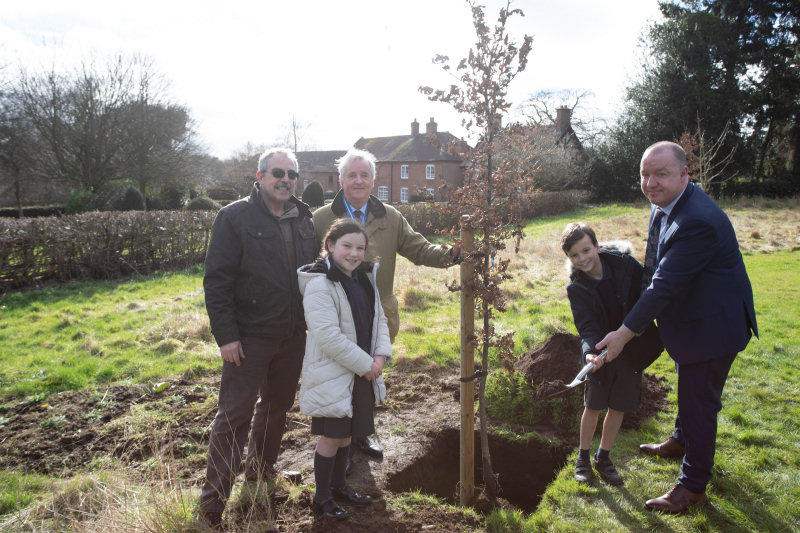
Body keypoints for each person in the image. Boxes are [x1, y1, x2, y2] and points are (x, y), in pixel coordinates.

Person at [596, 141, 758, 513]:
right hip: (692, 321)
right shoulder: (665, 204)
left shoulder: (697, 220)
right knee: (690, 389)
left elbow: (665, 285)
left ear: (686, 174)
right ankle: (682, 441)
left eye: (661, 174)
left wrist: (625, 333)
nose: (650, 183)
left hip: (714, 327)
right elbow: (654, 266)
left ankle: (692, 486)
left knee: (699, 404)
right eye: (644, 174)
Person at [312, 148, 460, 461]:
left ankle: (362, 437)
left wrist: (454, 254)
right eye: (351, 175)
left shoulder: (390, 217)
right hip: (337, 319)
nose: (358, 181)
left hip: (378, 316)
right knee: (340, 381)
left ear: (373, 179)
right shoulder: (321, 219)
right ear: (340, 180)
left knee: (369, 377)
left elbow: (420, 250)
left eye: (364, 175)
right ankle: (341, 448)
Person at [198, 148, 317, 528]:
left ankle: (259, 473)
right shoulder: (234, 217)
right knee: (234, 415)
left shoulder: (304, 218)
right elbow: (217, 280)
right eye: (277, 173)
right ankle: (212, 504)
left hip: (292, 333)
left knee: (277, 406)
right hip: (249, 337)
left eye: (291, 174)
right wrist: (227, 336)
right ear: (261, 175)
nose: (285, 180)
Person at [297, 218, 392, 519]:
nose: (354, 253)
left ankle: (339, 487)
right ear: (330, 246)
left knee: (349, 435)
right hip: (335, 373)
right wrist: (367, 365)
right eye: (346, 246)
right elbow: (327, 337)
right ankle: (321, 498)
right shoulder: (319, 285)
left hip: (361, 371)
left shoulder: (364, 279)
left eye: (360, 248)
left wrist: (380, 356)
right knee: (332, 436)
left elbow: (379, 321)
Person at [562, 223, 663, 486]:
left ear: (596, 245)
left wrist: (637, 329)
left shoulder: (625, 266)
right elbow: (587, 326)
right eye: (575, 255)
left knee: (619, 405)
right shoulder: (576, 288)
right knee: (593, 405)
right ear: (569, 259)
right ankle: (583, 459)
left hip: (633, 349)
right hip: (601, 352)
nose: (582, 258)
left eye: (586, 250)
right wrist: (590, 354)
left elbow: (649, 296)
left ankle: (603, 457)